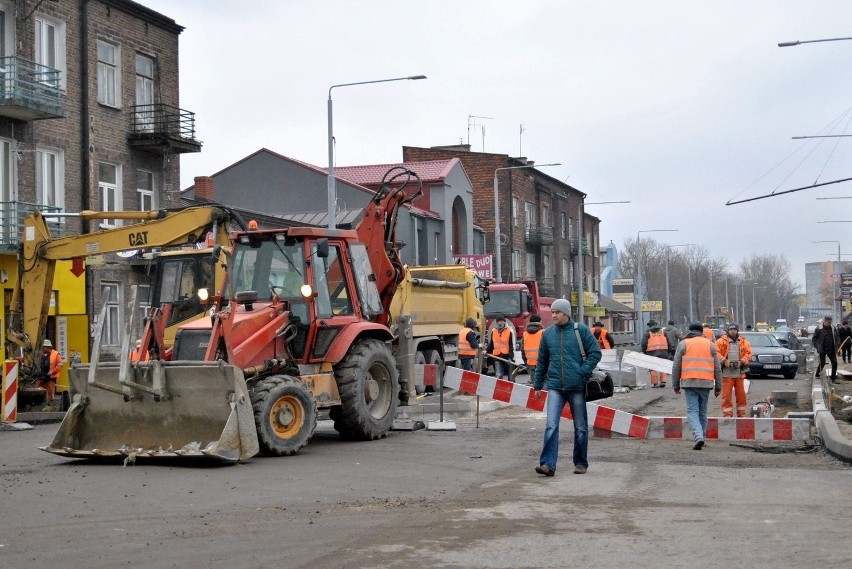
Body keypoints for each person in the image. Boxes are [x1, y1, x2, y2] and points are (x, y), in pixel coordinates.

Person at [533, 298, 601, 477]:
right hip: (555, 386)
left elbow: (595, 353)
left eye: (557, 312)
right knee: (551, 426)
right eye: (552, 312)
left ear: (566, 313)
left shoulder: (581, 330)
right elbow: (542, 361)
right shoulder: (547, 334)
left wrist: (582, 372)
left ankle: (580, 462)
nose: (553, 315)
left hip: (577, 386)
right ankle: (548, 465)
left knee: (580, 427)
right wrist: (538, 385)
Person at [672, 322, 722, 450]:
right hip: (706, 383)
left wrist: (675, 384)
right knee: (702, 412)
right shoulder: (710, 344)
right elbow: (717, 367)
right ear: (702, 332)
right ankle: (703, 438)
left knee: (692, 411)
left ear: (690, 331)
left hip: (689, 382)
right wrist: (719, 386)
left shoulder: (683, 344)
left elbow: (676, 366)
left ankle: (699, 436)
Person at [715, 323, 752, 417]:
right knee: (726, 396)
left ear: (737, 330)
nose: (732, 331)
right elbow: (716, 352)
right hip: (726, 374)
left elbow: (748, 354)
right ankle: (727, 414)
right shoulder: (720, 342)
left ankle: (741, 414)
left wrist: (741, 362)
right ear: (727, 330)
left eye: (734, 329)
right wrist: (724, 361)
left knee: (741, 396)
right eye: (731, 329)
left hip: (739, 373)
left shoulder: (744, 342)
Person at [641, 320, 671, 388]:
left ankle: (655, 383)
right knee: (663, 366)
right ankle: (663, 381)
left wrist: (644, 351)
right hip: (663, 352)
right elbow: (668, 342)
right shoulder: (663, 332)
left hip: (652, 352)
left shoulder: (647, 333)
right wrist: (669, 351)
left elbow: (643, 343)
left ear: (649, 325)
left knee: (653, 368)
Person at [487, 314, 515, 380]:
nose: (500, 323)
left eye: (501, 321)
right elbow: (492, 343)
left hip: (507, 356)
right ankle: (498, 389)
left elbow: (512, 345)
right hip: (497, 356)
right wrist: (486, 350)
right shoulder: (493, 331)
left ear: (504, 322)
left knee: (511, 377)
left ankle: (510, 388)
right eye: (498, 321)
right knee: (498, 375)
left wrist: (511, 358)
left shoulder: (510, 330)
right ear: (496, 322)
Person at [36, 339, 62, 405]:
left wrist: (52, 371)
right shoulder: (42, 355)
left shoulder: (56, 354)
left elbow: (60, 366)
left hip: (51, 376)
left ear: (48, 347)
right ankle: (41, 402)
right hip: (43, 375)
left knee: (50, 390)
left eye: (44, 347)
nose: (43, 348)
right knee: (37, 386)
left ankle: (50, 404)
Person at [813, 316, 840, 381]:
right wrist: (817, 346)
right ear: (824, 321)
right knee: (822, 362)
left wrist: (837, 346)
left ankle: (833, 378)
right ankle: (817, 373)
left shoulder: (833, 328)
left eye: (830, 322)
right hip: (822, 348)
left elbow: (837, 338)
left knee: (834, 362)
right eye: (828, 322)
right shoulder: (819, 329)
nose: (829, 324)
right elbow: (814, 338)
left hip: (831, 348)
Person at [522, 314, 544, 383]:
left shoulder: (525, 333)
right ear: (539, 322)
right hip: (542, 363)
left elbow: (522, 350)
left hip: (530, 363)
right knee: (543, 384)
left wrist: (526, 362)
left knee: (534, 385)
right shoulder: (543, 332)